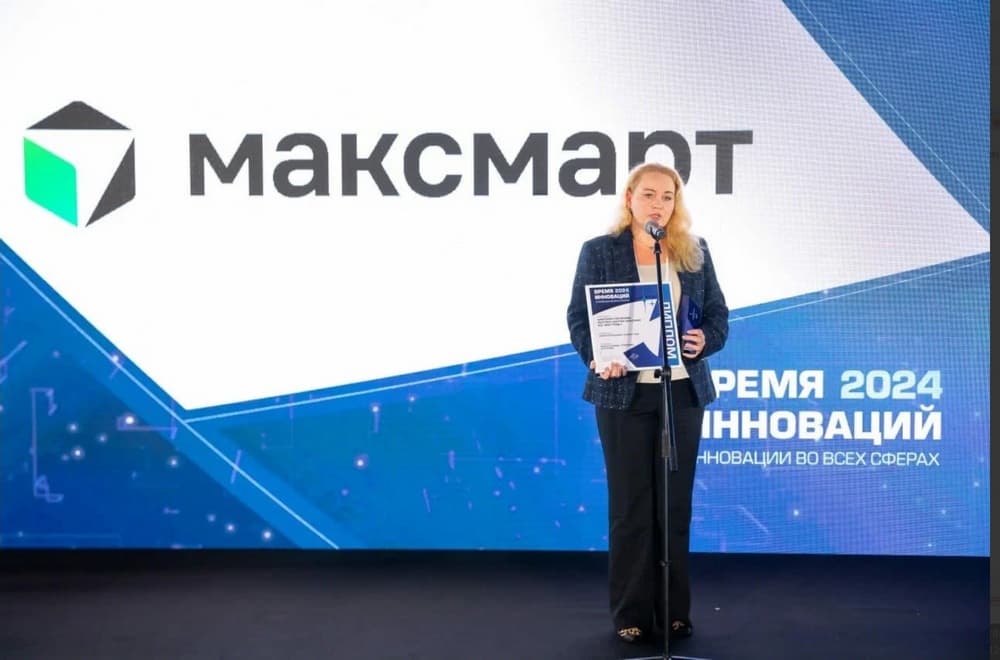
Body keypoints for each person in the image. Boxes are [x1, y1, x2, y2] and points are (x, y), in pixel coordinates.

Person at [566, 162, 729, 644]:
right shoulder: (599, 251)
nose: (659, 204)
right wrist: (598, 357)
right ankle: (631, 612)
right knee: (631, 507)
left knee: (674, 507)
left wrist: (706, 339)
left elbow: (718, 314)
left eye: (668, 196)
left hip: (681, 392)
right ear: (629, 198)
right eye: (649, 194)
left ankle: (673, 610)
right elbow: (579, 318)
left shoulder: (694, 251)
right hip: (624, 394)